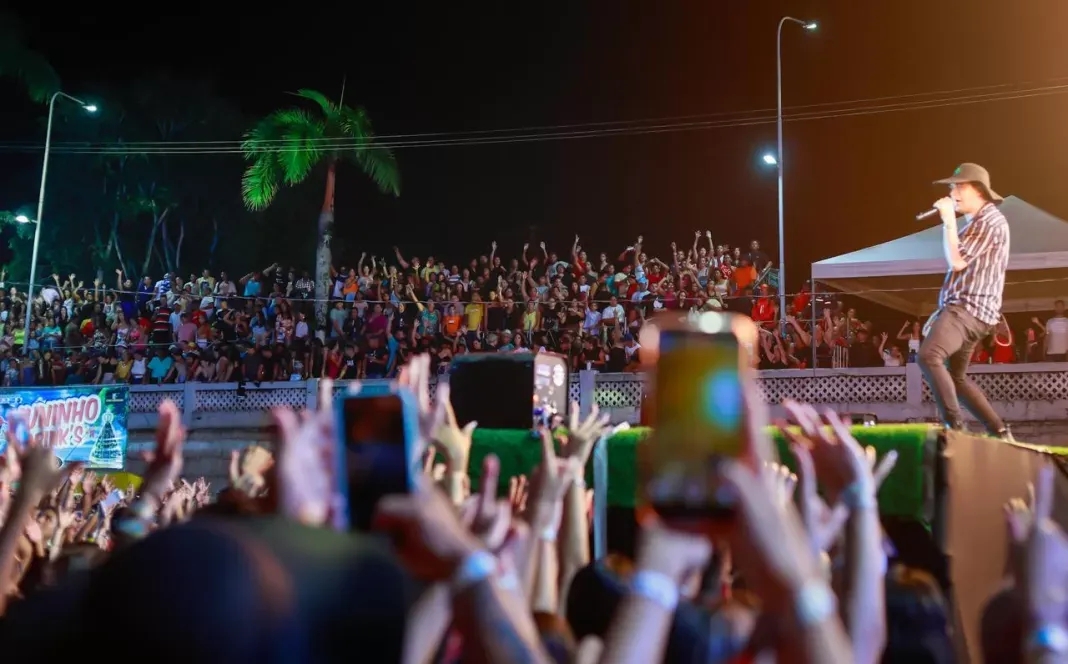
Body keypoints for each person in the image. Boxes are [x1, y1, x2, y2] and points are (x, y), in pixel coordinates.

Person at [918, 163, 1012, 439]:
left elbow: (956, 261)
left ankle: (955, 428)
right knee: (955, 379)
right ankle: (1000, 430)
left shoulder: (990, 221)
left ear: (978, 190)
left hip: (967, 309)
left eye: (958, 186)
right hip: (971, 312)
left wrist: (947, 219)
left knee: (929, 356)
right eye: (951, 187)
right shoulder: (978, 222)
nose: (952, 192)